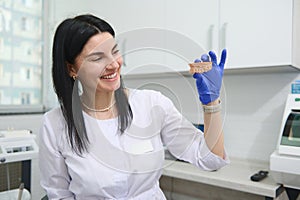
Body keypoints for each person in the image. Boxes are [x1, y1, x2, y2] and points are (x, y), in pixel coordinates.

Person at [39, 14, 229, 200]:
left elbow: (210, 159)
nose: (113, 64)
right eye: (97, 58)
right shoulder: (55, 124)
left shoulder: (152, 104)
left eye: (114, 52)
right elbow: (60, 195)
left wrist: (211, 102)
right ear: (72, 68)